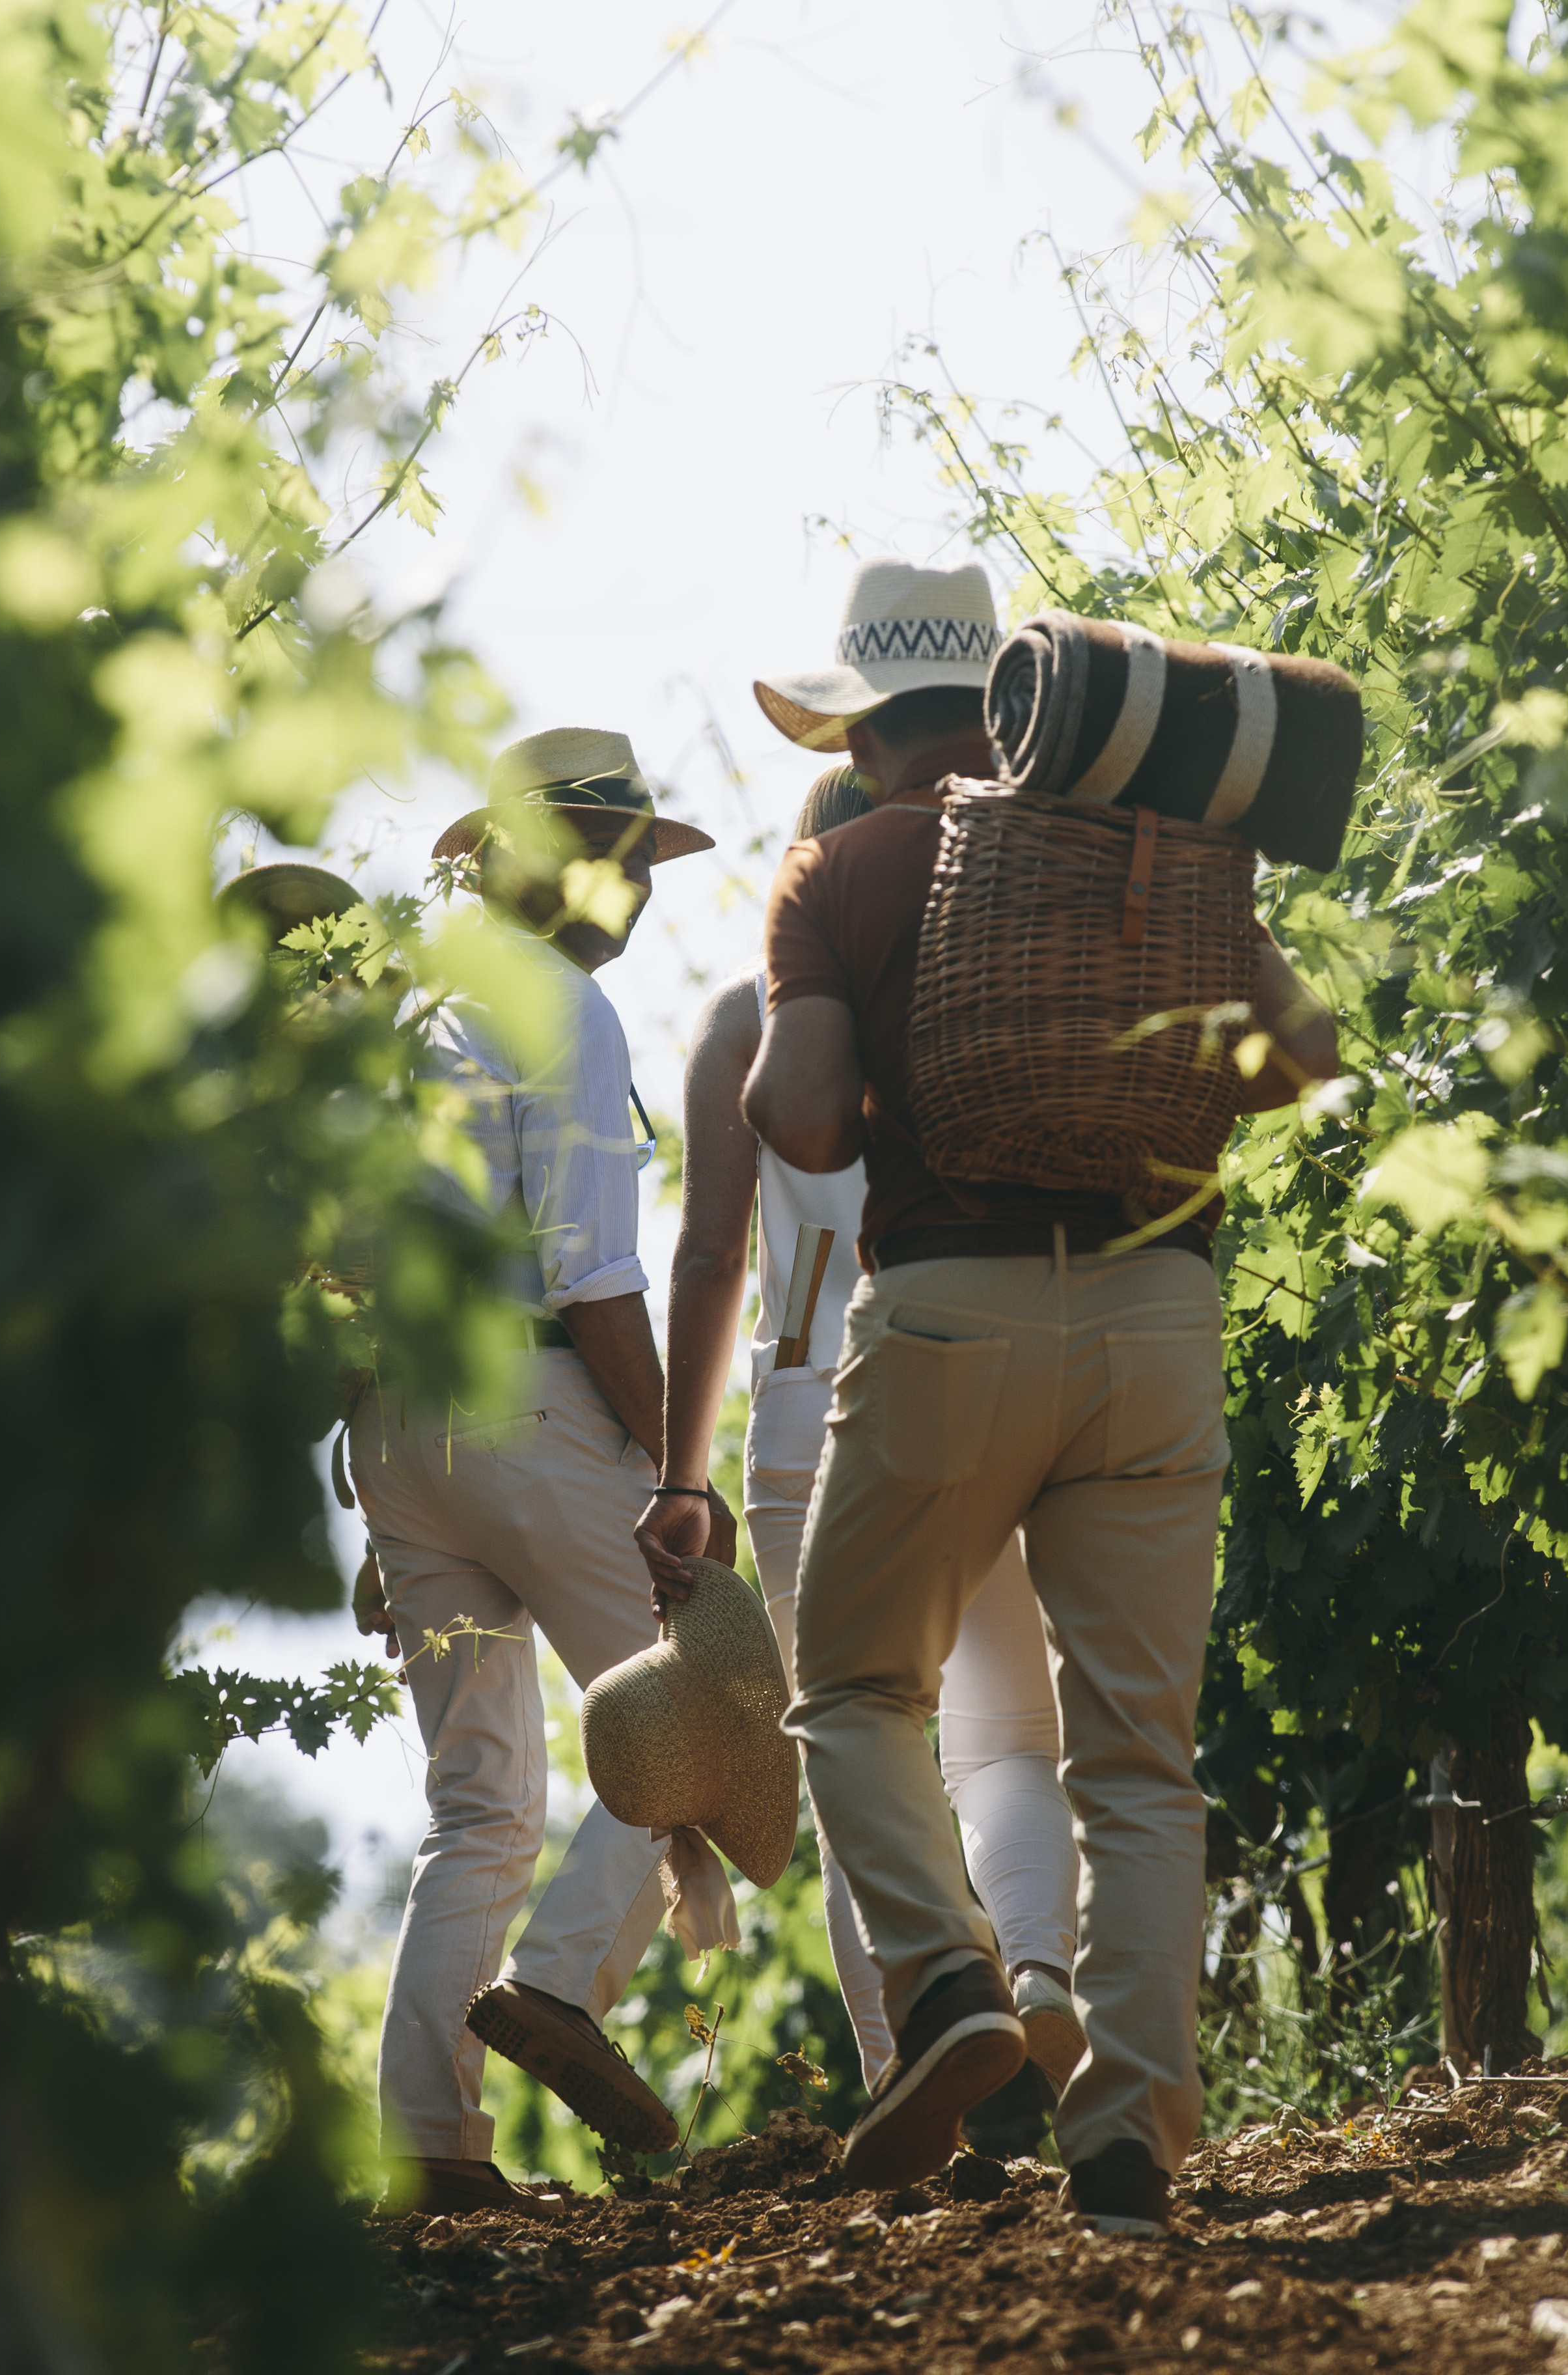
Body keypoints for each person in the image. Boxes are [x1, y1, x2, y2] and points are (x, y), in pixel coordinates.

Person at [741, 559, 1344, 2231]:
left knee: (855, 1686)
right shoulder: (1132, 846)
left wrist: (878, 1069)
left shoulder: (840, 871)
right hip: (1158, 1308)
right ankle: (1132, 2137)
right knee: (1138, 1758)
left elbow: (798, 1122)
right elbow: (1308, 1055)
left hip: (949, 1313)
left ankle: (947, 1990)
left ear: (865, 727)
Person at [634, 762, 1084, 2142]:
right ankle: (1042, 1970)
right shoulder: (967, 1000)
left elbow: (713, 1257)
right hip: (979, 1377)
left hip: (799, 1418)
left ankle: (922, 2072)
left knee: (854, 1758)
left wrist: (681, 1475)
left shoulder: (736, 1022)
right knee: (1009, 1740)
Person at [350, 727, 716, 2218]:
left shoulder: (408, 1018)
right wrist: (675, 1467)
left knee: (481, 1805)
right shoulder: (563, 1009)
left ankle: (428, 2145)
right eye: (625, 861)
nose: (639, 892)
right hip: (533, 1399)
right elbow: (593, 1277)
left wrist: (388, 1502)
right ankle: (562, 1992)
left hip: (397, 1429)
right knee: (696, 1714)